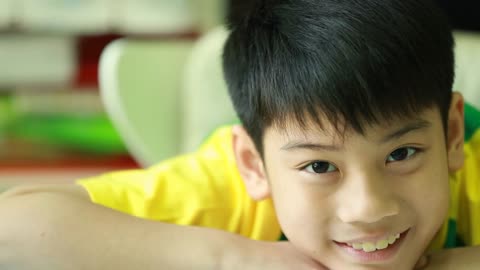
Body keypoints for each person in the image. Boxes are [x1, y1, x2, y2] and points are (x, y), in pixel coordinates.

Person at [0, 0, 479, 269]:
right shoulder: (222, 185)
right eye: (319, 166)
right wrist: (234, 259)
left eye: (402, 153)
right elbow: (12, 227)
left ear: (452, 134)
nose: (368, 208)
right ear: (254, 165)